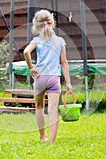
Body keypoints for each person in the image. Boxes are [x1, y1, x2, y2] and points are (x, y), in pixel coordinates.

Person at [23, 9, 72, 143]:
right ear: (52, 23)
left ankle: (42, 137)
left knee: (39, 107)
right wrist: (68, 83)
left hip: (40, 78)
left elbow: (26, 52)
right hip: (54, 78)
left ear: (36, 25)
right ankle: (52, 141)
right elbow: (63, 62)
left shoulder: (36, 40)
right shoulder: (60, 41)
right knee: (53, 110)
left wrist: (31, 68)